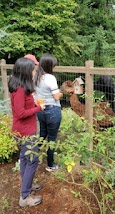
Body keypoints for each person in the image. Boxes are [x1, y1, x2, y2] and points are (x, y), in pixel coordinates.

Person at [9, 57, 45, 207]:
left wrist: (34, 103)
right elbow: (20, 113)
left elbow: (23, 107)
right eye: (32, 69)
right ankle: (25, 197)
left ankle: (27, 185)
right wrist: (38, 108)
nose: (34, 72)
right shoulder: (20, 90)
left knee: (25, 159)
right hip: (25, 132)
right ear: (25, 71)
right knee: (32, 161)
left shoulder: (21, 86)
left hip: (25, 130)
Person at [33, 53, 63, 172]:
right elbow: (56, 97)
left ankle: (30, 155)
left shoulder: (36, 77)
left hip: (41, 110)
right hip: (52, 110)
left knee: (42, 134)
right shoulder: (50, 78)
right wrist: (61, 92)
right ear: (49, 66)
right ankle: (50, 165)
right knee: (52, 138)